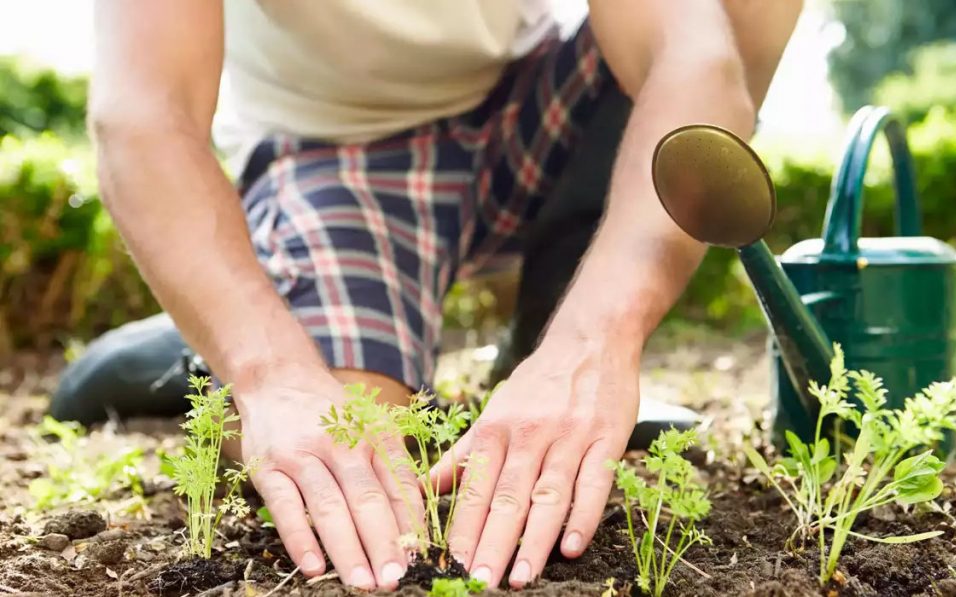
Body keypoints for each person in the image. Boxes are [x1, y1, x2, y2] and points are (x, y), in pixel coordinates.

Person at [69, 0, 801, 591]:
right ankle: (224, 323)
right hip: (341, 151)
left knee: (744, 10)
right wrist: (269, 373)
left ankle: (547, 338)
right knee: (357, 446)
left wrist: (597, 338)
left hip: (532, 108)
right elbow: (144, 115)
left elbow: (693, 59)